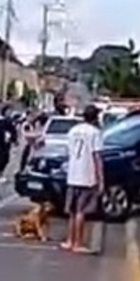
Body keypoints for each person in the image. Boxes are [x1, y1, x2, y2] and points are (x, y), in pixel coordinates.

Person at [62, 105, 104, 254]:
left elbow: (68, 152)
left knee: (72, 211)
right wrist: (101, 179)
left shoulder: (73, 131)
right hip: (87, 175)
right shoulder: (95, 133)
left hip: (73, 174)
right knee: (81, 211)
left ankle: (69, 240)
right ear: (95, 118)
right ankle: (78, 243)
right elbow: (97, 157)